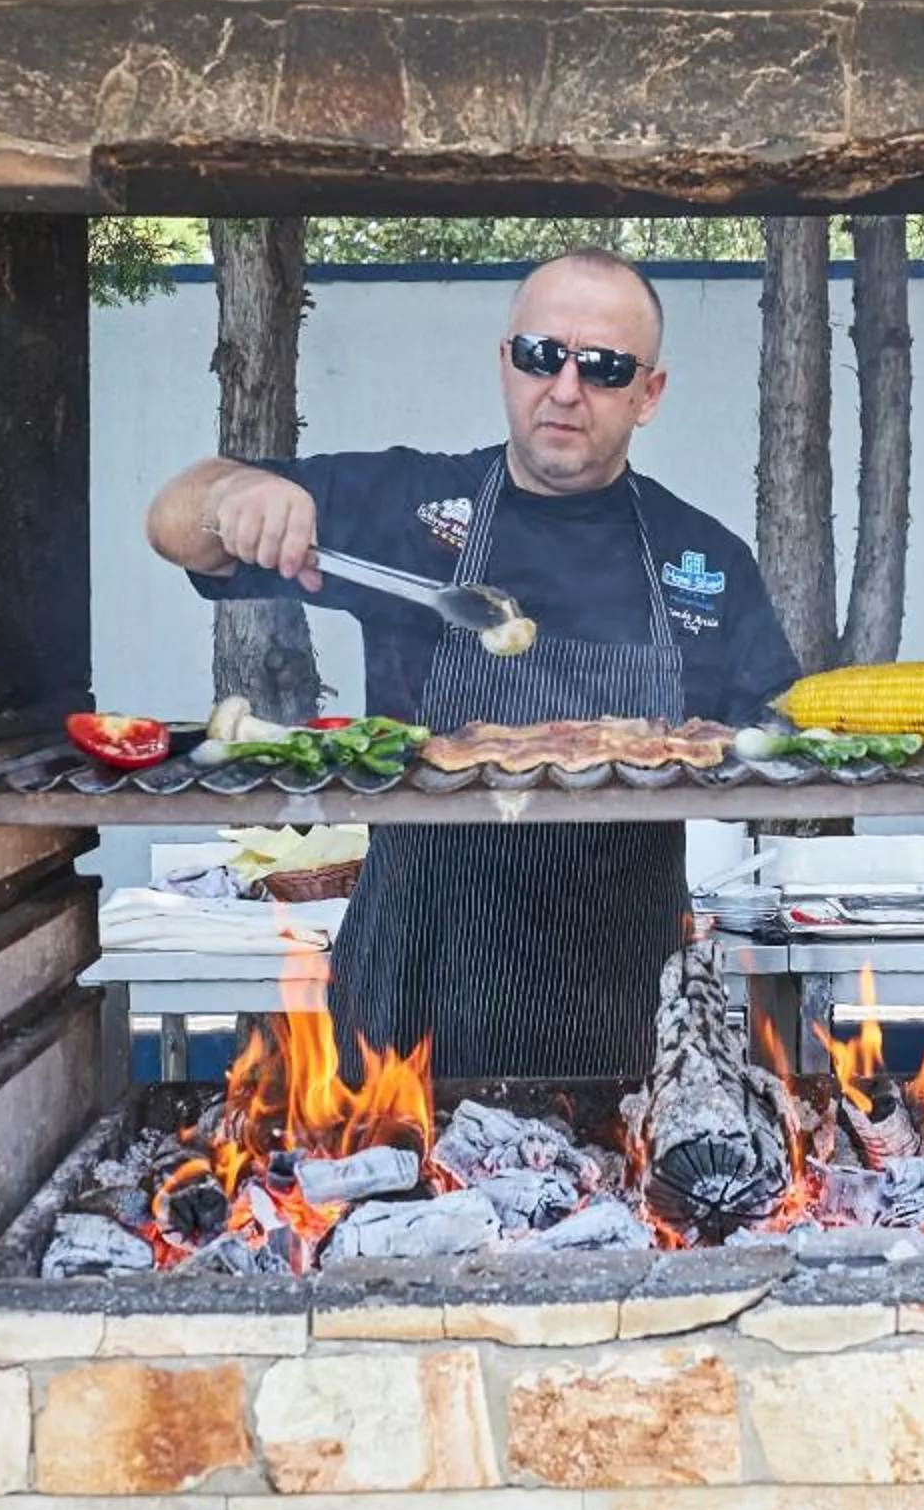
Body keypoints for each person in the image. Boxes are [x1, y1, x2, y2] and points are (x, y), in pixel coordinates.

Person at [145, 248, 801, 1076]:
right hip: (406, 1008)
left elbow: (783, 747)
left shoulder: (703, 561)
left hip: (622, 1013)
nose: (564, 389)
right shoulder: (412, 511)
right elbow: (174, 522)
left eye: (603, 367)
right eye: (540, 355)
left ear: (649, 394)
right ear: (505, 362)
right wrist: (230, 500)